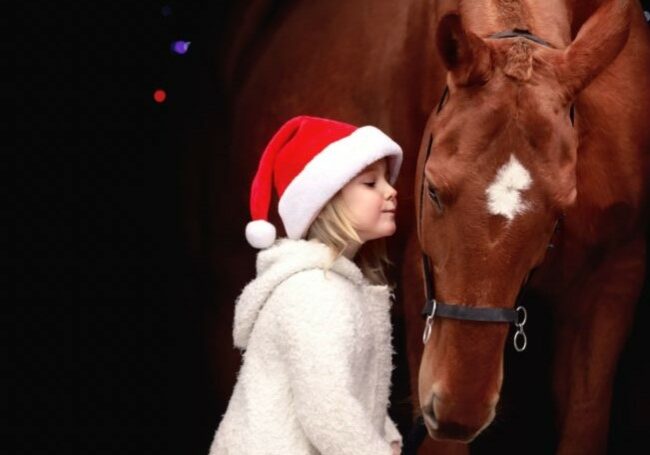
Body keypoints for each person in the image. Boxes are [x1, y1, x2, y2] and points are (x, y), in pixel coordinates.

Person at [209, 115, 403, 455]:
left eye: (386, 179)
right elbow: (327, 408)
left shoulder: (337, 286)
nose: (391, 191)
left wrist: (385, 433)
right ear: (327, 201)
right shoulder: (313, 293)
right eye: (370, 183)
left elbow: (345, 389)